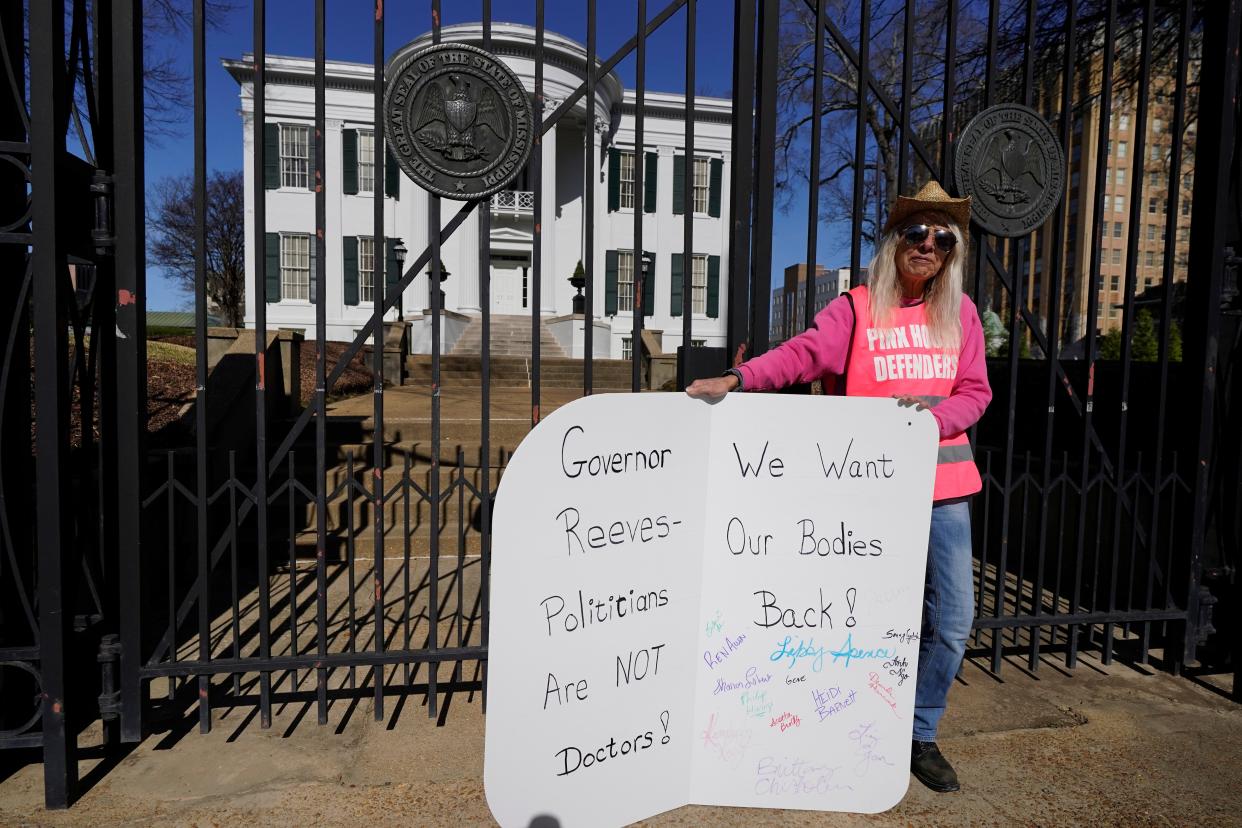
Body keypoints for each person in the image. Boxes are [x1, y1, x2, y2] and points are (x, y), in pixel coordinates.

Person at [687, 180, 991, 793]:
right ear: (895, 241)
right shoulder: (855, 307)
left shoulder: (959, 314)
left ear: (952, 251)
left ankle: (919, 732)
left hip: (943, 489)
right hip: (869, 495)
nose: (927, 245)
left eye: (942, 237)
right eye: (916, 232)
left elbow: (975, 392)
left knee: (954, 620)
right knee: (861, 620)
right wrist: (738, 378)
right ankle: (848, 724)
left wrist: (930, 425)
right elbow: (800, 355)